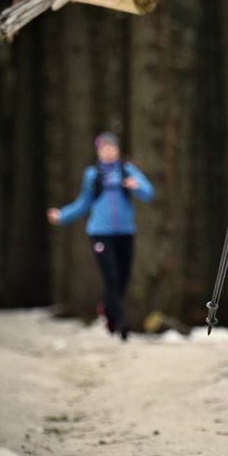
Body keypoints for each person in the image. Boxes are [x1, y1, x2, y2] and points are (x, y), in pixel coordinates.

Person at [47, 132, 154, 340]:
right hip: (100, 234)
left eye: (112, 148)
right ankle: (119, 322)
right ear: (98, 152)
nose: (108, 151)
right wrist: (61, 216)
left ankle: (108, 310)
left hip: (125, 233)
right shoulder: (92, 175)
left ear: (117, 150)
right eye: (104, 148)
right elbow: (83, 203)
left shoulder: (127, 171)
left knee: (123, 279)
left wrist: (136, 186)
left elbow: (149, 194)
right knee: (112, 278)